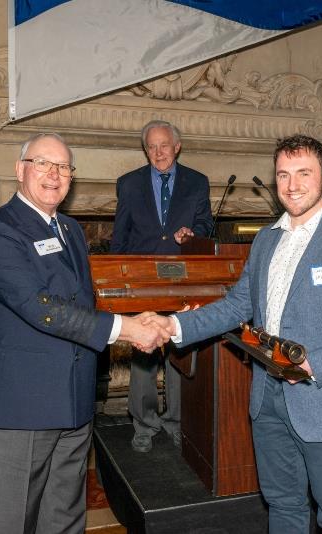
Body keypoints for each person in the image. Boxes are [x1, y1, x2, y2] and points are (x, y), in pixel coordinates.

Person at [144, 134, 322, 532]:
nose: (292, 185)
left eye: (304, 173)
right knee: (282, 506)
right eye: (283, 174)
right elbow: (236, 307)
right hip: (267, 401)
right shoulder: (265, 240)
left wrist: (315, 363)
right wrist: (172, 325)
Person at [0, 132, 170, 534]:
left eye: (63, 167)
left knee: (63, 520)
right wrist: (127, 328)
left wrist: (135, 316)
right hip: (19, 408)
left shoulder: (72, 231)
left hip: (73, 404)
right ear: (20, 170)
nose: (54, 174)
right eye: (43, 163)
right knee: (12, 523)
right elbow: (40, 308)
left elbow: (80, 304)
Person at [110, 120, 213, 453]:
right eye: (152, 147)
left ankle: (175, 422)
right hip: (142, 282)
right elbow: (120, 236)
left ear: (177, 146)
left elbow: (205, 225)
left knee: (178, 352)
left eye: (164, 146)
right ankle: (144, 424)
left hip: (183, 280)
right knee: (144, 354)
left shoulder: (198, 182)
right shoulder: (128, 184)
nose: (158, 153)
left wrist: (191, 234)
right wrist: (117, 277)